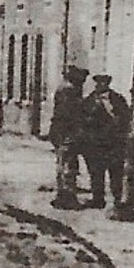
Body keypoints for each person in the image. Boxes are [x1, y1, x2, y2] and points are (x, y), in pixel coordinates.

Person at [83, 73, 130, 209]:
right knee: (96, 173)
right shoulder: (89, 101)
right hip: (96, 143)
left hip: (115, 142)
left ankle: (117, 199)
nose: (100, 86)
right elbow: (83, 120)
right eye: (98, 83)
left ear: (108, 84)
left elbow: (126, 116)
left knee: (116, 172)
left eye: (104, 83)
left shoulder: (118, 99)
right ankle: (98, 199)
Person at [48, 65, 89, 210]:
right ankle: (67, 198)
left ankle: (62, 196)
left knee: (62, 163)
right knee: (69, 165)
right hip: (67, 132)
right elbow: (70, 114)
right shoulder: (69, 91)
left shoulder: (63, 88)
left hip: (60, 131)